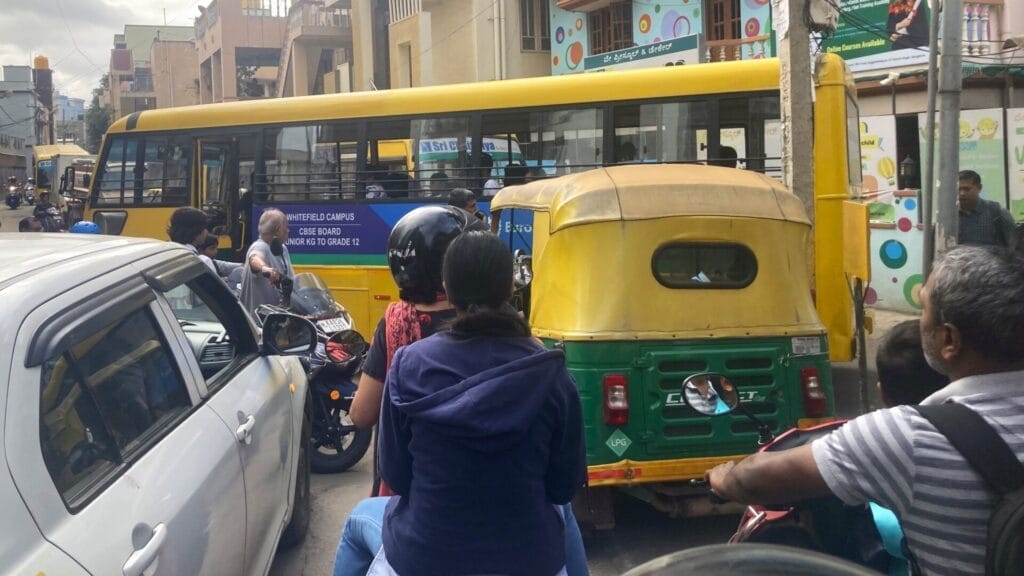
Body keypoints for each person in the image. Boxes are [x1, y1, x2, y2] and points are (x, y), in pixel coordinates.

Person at [705, 245, 1024, 576]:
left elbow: (754, 481)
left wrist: (723, 477)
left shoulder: (909, 436)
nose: (919, 320)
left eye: (924, 306)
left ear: (949, 340)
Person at [371, 231, 586, 576]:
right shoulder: (552, 374)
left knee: (357, 524)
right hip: (531, 560)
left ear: (448, 287)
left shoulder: (408, 364)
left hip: (423, 556)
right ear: (510, 289)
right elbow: (563, 486)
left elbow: (396, 475)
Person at [240, 208, 293, 317]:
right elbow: (254, 259)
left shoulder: (282, 249)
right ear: (278, 230)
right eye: (286, 227)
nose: (288, 230)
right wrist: (265, 269)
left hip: (279, 317)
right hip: (260, 324)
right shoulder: (260, 246)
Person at [167, 207, 242, 280]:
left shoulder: (168, 253)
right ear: (196, 233)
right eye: (204, 228)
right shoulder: (203, 261)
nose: (206, 232)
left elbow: (217, 264)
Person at [957, 169, 1017, 251]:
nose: (962, 193)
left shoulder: (997, 213)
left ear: (979, 188)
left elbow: (1015, 247)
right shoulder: (949, 217)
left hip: (993, 262)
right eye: (958, 189)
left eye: (967, 189)